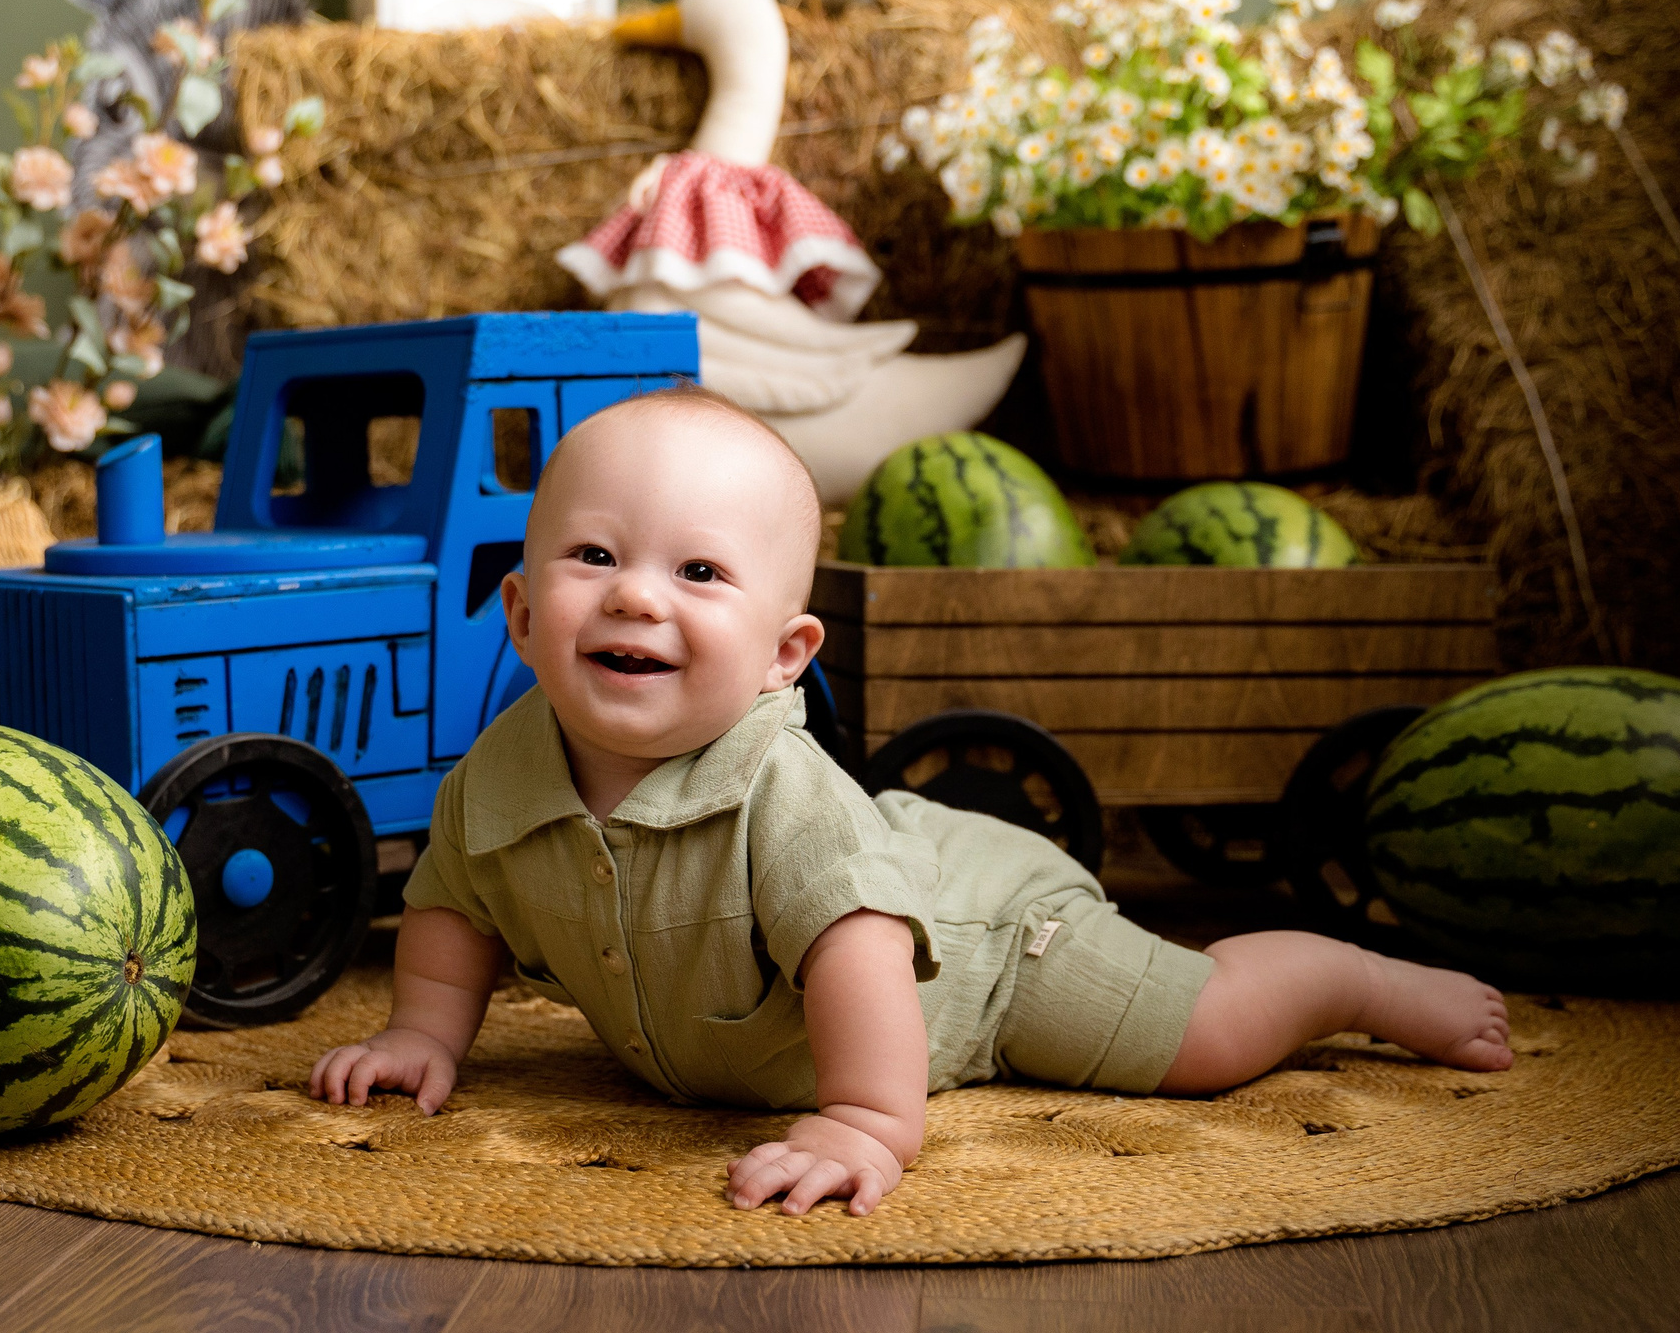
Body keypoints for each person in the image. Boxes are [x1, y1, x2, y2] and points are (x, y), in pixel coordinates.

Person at [310, 386, 1512, 1217]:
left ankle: (1353, 981)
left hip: (994, 951)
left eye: (699, 571)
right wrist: (423, 1032)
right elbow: (453, 905)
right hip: (865, 940)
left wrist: (865, 1121)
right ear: (521, 615)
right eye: (594, 557)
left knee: (1207, 1040)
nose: (635, 598)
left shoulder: (785, 797)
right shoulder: (496, 778)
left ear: (784, 655)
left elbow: (861, 955)